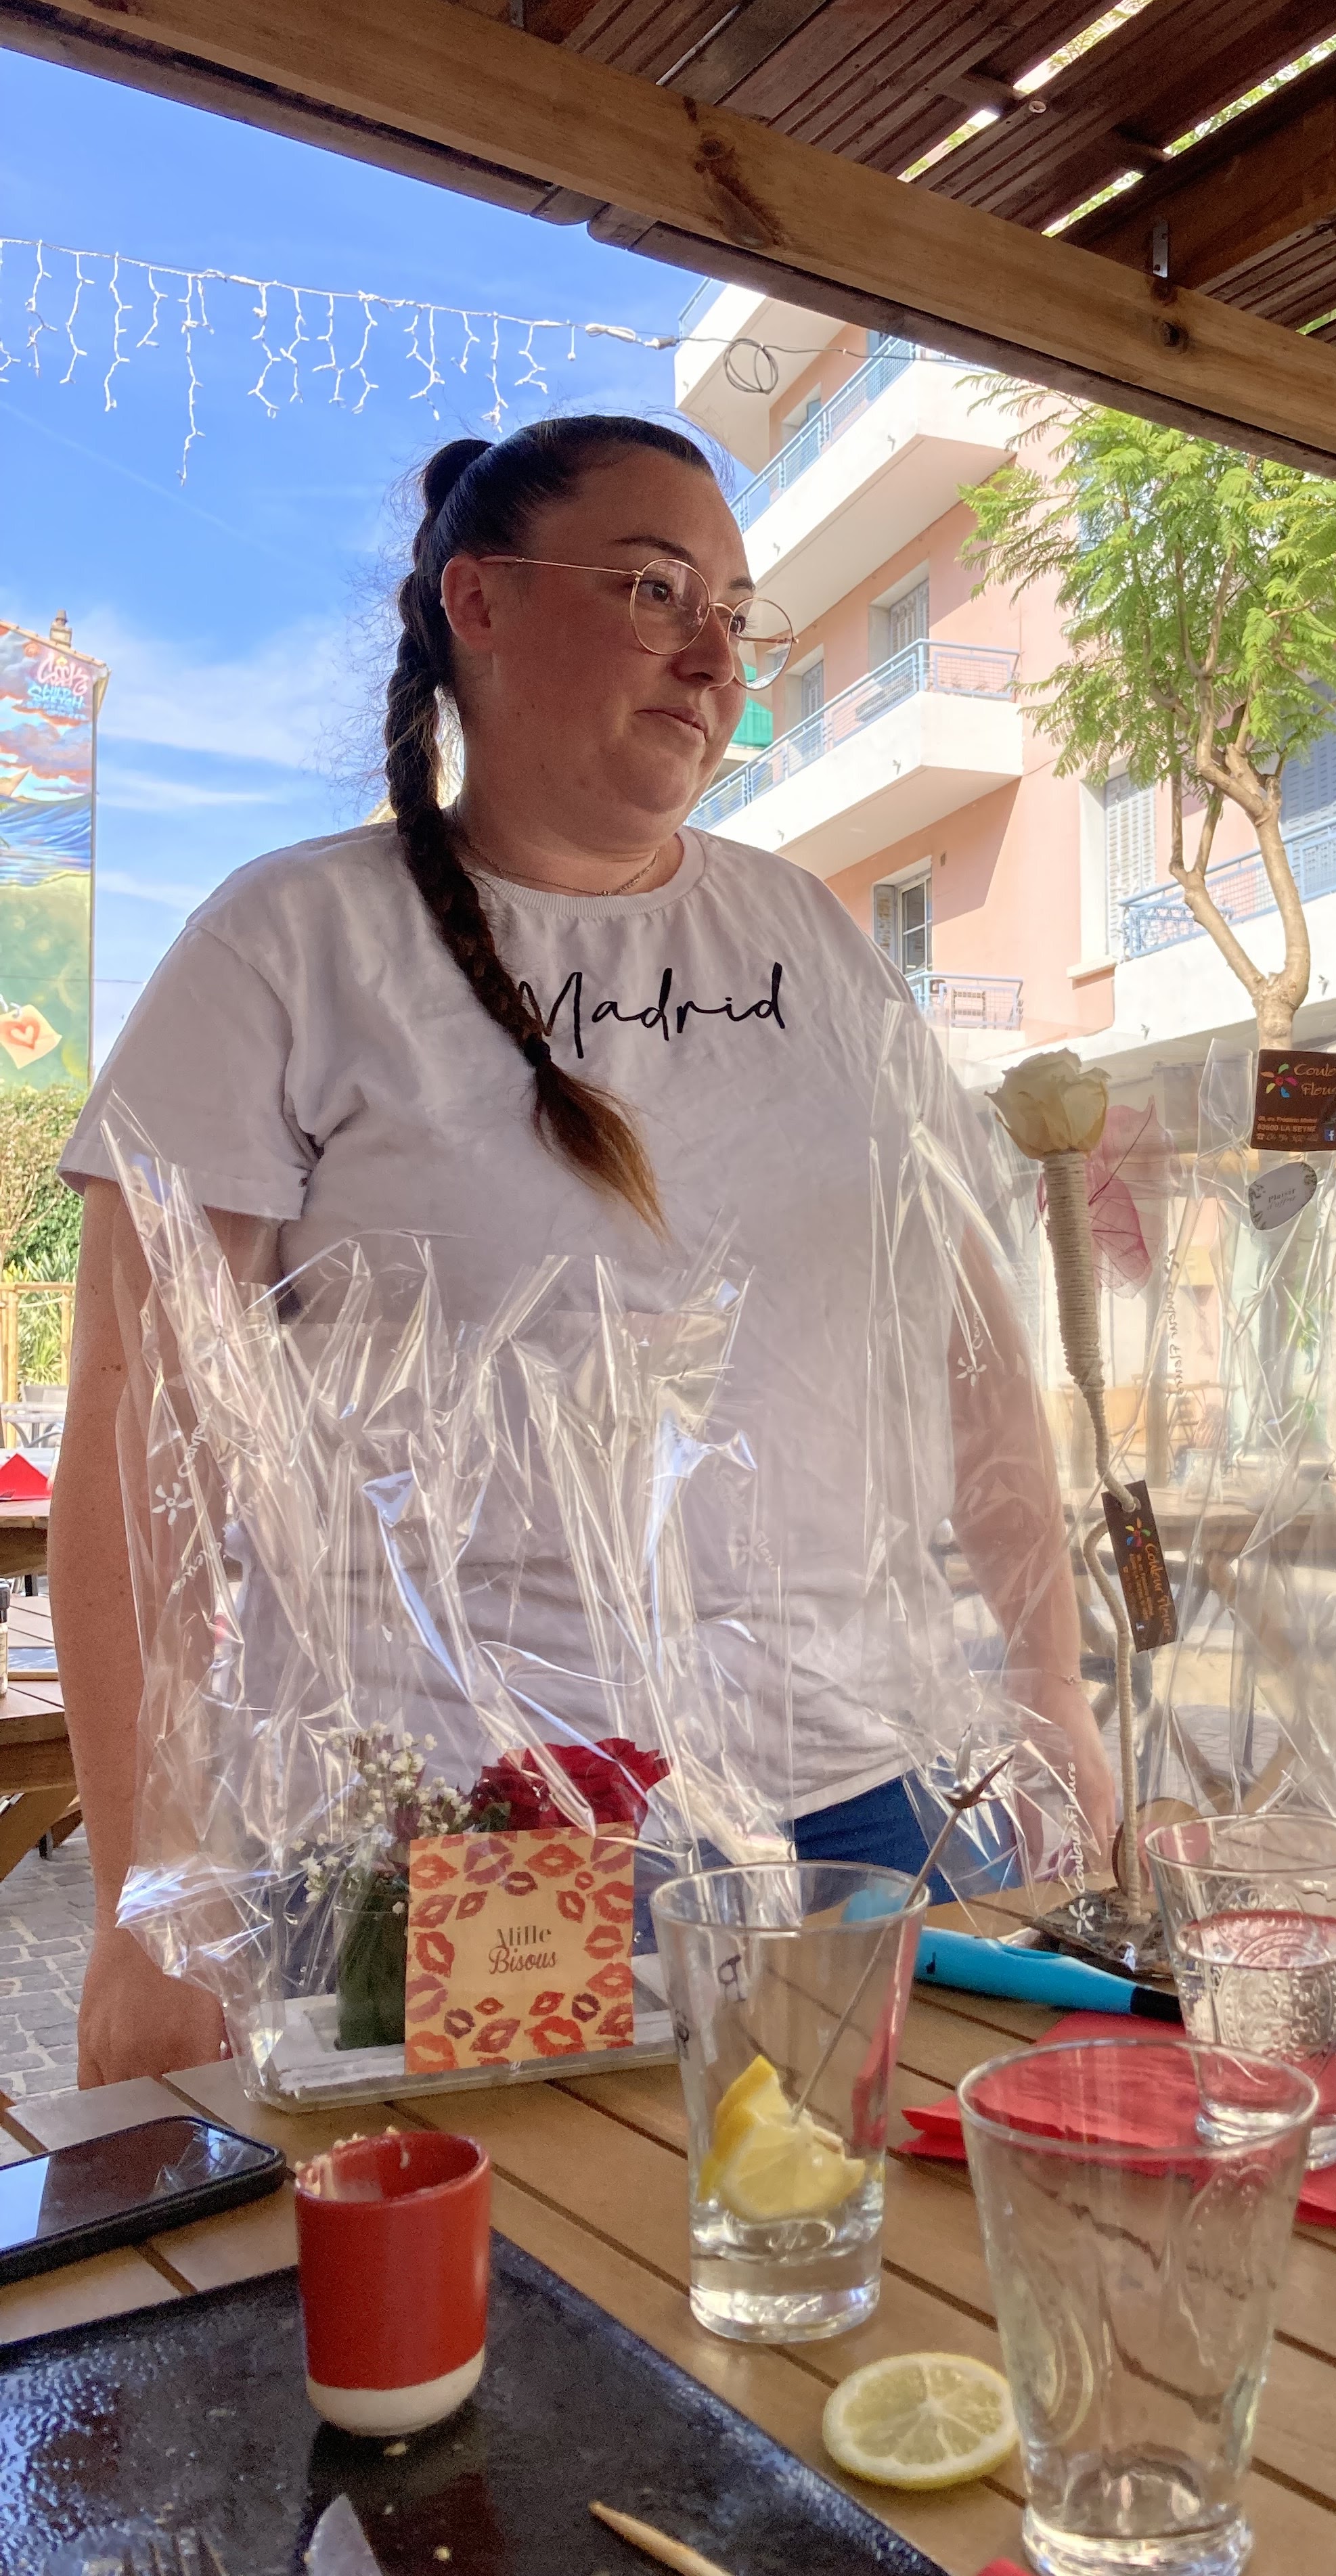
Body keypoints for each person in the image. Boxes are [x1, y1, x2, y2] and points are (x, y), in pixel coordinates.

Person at [53, 414, 1113, 2087]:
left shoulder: (813, 942)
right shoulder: (291, 945)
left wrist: (1055, 1698)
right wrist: (148, 1897)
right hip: (471, 1827)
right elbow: (138, 1445)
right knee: (525, 2255)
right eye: (652, 589)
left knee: (872, 2233)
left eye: (737, 614)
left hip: (870, 1807)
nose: (716, 656)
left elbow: (967, 1344)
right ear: (477, 602)